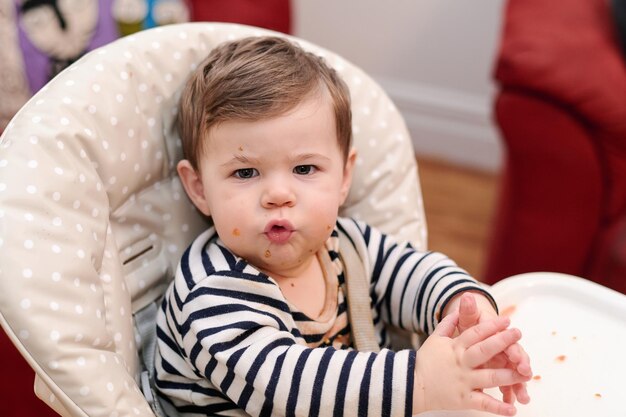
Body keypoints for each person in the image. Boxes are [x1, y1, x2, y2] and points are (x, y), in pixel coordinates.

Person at [154, 35, 532, 417]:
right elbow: (291, 390)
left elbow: (412, 271)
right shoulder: (212, 293)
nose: (278, 194)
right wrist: (421, 380)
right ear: (199, 188)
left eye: (304, 168)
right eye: (245, 172)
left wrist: (466, 308)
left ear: (344, 176)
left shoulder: (344, 243)